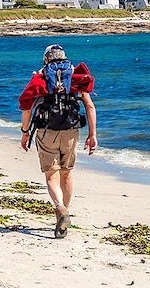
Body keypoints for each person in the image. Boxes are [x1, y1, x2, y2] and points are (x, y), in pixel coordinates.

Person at [18, 44, 98, 239]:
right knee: (66, 174)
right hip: (71, 131)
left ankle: (60, 209)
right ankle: (63, 216)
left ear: (46, 59)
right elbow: (89, 105)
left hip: (47, 131)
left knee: (51, 175)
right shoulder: (75, 77)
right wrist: (92, 134)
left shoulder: (41, 78)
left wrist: (25, 132)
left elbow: (26, 108)